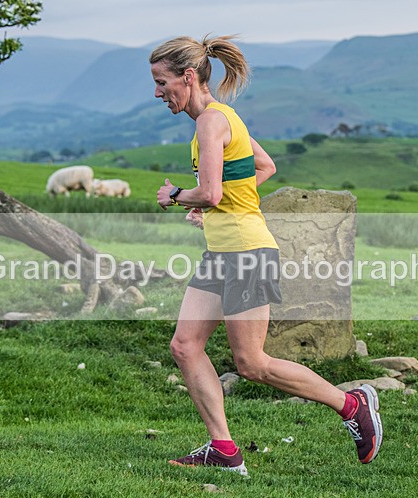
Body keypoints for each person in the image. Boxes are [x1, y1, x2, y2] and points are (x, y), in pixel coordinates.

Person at [150, 35, 382, 475]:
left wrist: (178, 195)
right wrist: (216, 204)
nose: (158, 92)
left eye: (162, 82)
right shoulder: (223, 118)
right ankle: (223, 448)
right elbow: (263, 167)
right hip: (223, 251)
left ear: (188, 76)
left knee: (252, 363)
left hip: (246, 252)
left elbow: (211, 191)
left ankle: (352, 405)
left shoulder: (211, 122)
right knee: (185, 345)